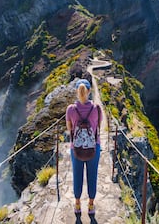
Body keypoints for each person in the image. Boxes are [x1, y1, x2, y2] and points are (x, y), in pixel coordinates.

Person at [66, 78, 102, 217]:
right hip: (94, 147)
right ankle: (91, 205)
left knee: (77, 175)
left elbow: (70, 128)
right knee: (92, 176)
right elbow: (98, 126)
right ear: (89, 91)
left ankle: (77, 204)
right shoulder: (96, 108)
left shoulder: (70, 109)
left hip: (76, 148)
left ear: (77, 91)